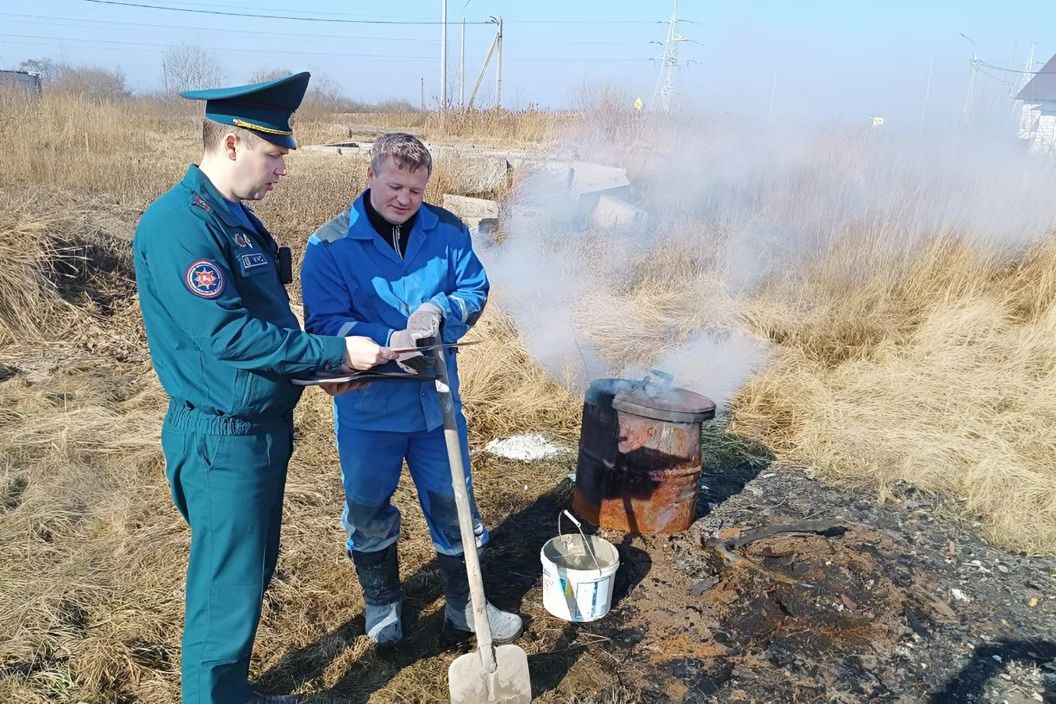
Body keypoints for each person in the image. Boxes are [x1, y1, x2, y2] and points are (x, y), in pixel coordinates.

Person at [132, 72, 393, 704]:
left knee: (246, 579)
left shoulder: (233, 217)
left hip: (259, 434)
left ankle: (231, 692)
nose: (280, 170)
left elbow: (269, 326)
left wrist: (319, 372)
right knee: (226, 592)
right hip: (223, 440)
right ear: (230, 146)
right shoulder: (180, 226)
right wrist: (336, 352)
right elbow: (230, 337)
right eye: (273, 156)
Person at [300, 133, 523, 647]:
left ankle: (468, 605)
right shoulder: (329, 244)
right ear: (371, 176)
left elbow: (474, 287)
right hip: (368, 407)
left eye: (416, 190)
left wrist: (440, 311)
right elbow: (325, 323)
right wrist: (387, 341)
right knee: (368, 505)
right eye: (395, 185)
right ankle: (382, 602)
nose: (404, 198)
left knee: (455, 500)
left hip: (436, 402)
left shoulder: (446, 230)